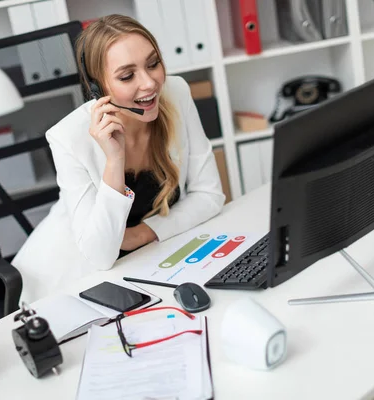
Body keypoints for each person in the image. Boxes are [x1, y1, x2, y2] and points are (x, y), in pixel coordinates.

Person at [12, 14, 225, 303]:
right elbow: (100, 255)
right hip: (70, 281)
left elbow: (210, 195)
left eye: (153, 64)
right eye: (127, 76)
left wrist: (144, 233)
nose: (150, 83)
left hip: (148, 260)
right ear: (99, 88)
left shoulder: (176, 93)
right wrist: (114, 160)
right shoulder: (68, 138)